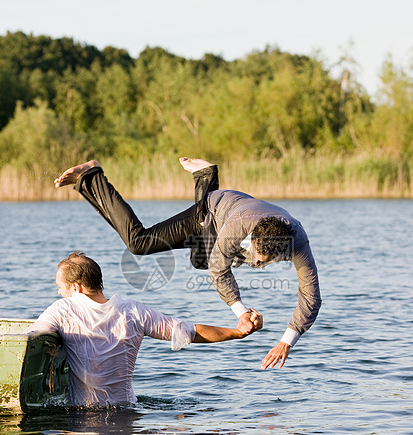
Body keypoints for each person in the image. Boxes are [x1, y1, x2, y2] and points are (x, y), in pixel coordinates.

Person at [54, 158, 321, 369]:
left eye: (262, 261)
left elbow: (311, 297)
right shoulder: (237, 229)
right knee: (139, 243)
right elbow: (219, 271)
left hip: (238, 212)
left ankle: (204, 177)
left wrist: (286, 342)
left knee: (198, 261)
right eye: (254, 253)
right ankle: (94, 175)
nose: (255, 261)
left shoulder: (298, 242)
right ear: (252, 236)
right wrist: (241, 313)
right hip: (213, 212)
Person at [26, 251, 262, 407]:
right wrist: (239, 331)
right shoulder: (133, 312)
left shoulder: (63, 309)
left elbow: (30, 340)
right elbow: (189, 331)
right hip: (127, 410)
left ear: (76, 287)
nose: (59, 292)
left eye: (61, 287)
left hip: (85, 415)